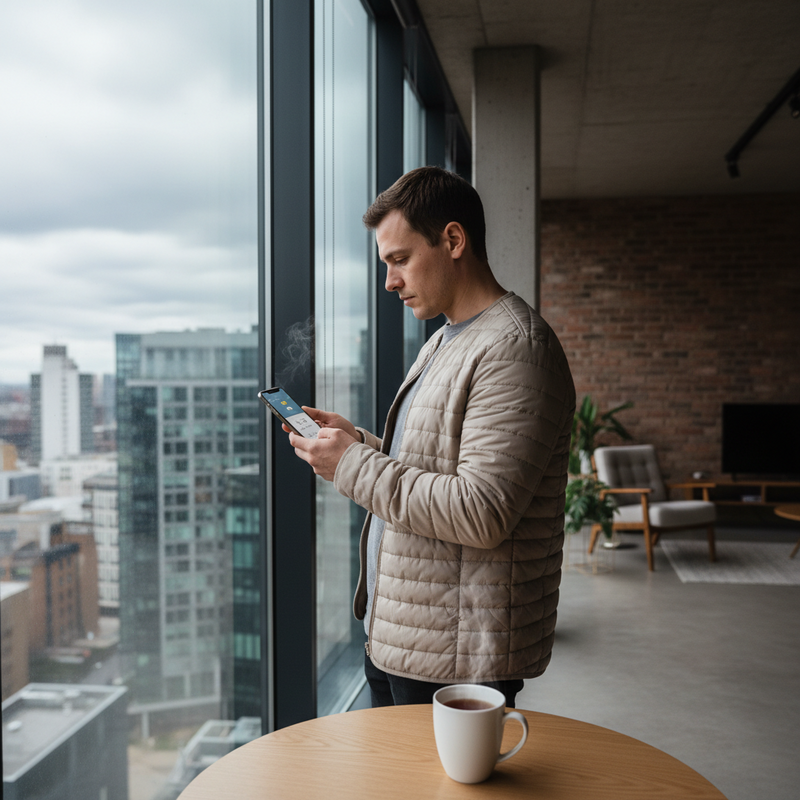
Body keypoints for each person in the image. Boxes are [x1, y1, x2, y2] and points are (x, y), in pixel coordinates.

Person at [285, 166, 575, 708]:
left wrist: (350, 465)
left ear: (454, 240)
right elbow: (433, 465)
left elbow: (480, 511)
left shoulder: (515, 349)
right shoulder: (446, 339)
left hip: (455, 657)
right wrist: (358, 443)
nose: (389, 281)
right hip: (406, 638)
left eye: (400, 259)